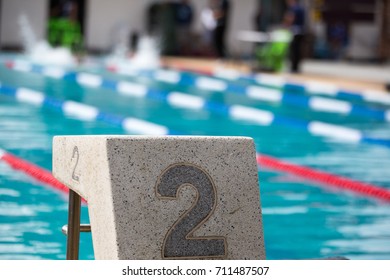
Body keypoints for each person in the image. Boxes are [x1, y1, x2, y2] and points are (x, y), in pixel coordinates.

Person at [284, 0, 306, 73]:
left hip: (296, 31)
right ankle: (296, 67)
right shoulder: (300, 8)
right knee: (298, 50)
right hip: (301, 30)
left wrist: (286, 26)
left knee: (294, 50)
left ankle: (294, 67)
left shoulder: (294, 8)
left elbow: (290, 18)